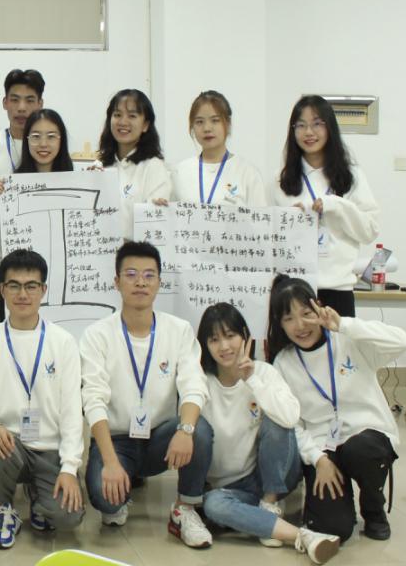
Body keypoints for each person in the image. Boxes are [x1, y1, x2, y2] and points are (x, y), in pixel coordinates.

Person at [80, 240, 213, 548]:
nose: (140, 282)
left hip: (159, 439)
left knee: (200, 430)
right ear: (116, 282)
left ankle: (185, 509)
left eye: (149, 275)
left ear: (159, 282)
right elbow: (93, 400)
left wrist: (185, 430)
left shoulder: (178, 330)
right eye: (131, 274)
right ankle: (120, 488)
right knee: (106, 502)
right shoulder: (97, 335)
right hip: (116, 441)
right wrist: (110, 463)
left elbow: (194, 385)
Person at [197, 302, 341, 563]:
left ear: (245, 335)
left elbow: (290, 419)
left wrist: (252, 379)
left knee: (276, 418)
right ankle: (304, 536)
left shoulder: (264, 371)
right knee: (213, 505)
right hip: (229, 487)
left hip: (273, 474)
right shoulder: (200, 381)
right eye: (214, 339)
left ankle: (269, 503)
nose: (224, 346)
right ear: (205, 345)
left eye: (230, 335)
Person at [269, 275, 404, 543]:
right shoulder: (283, 363)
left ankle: (373, 508)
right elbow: (292, 424)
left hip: (366, 436)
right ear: (280, 324)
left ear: (319, 308)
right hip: (324, 447)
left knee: (359, 450)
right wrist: (318, 459)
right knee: (332, 530)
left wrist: (344, 324)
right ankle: (343, 504)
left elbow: (400, 341)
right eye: (289, 319)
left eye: (306, 314)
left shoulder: (347, 339)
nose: (300, 326)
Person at [0, 249, 84, 549]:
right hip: (10, 445)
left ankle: (40, 499)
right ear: (2, 290)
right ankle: (3, 510)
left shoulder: (63, 342)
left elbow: (72, 411)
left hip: (50, 449)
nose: (23, 294)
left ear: (43, 290)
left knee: (68, 518)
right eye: (14, 285)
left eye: (31, 286)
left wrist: (70, 468)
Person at [273, 95, 379, 317]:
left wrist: (337, 206)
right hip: (293, 292)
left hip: (338, 291)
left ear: (330, 127)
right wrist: (289, 222)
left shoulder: (351, 176)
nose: (308, 132)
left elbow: (369, 231)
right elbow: (270, 242)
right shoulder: (280, 181)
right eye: (301, 125)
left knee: (340, 342)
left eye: (317, 124)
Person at [0, 69, 45, 327]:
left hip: (41, 257)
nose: (21, 108)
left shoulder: (48, 146)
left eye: (29, 100)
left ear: (40, 103)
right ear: (5, 102)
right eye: (14, 100)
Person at [95, 89, 170, 240]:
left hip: (135, 253)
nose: (123, 122)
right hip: (99, 252)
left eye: (132, 116)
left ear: (145, 125)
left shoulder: (154, 167)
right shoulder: (99, 166)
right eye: (117, 115)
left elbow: (152, 226)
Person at [171, 90, 266, 207]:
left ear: (228, 124)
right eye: (199, 122)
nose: (207, 128)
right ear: (192, 126)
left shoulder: (247, 173)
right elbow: (169, 215)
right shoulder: (179, 172)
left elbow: (260, 217)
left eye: (215, 120)